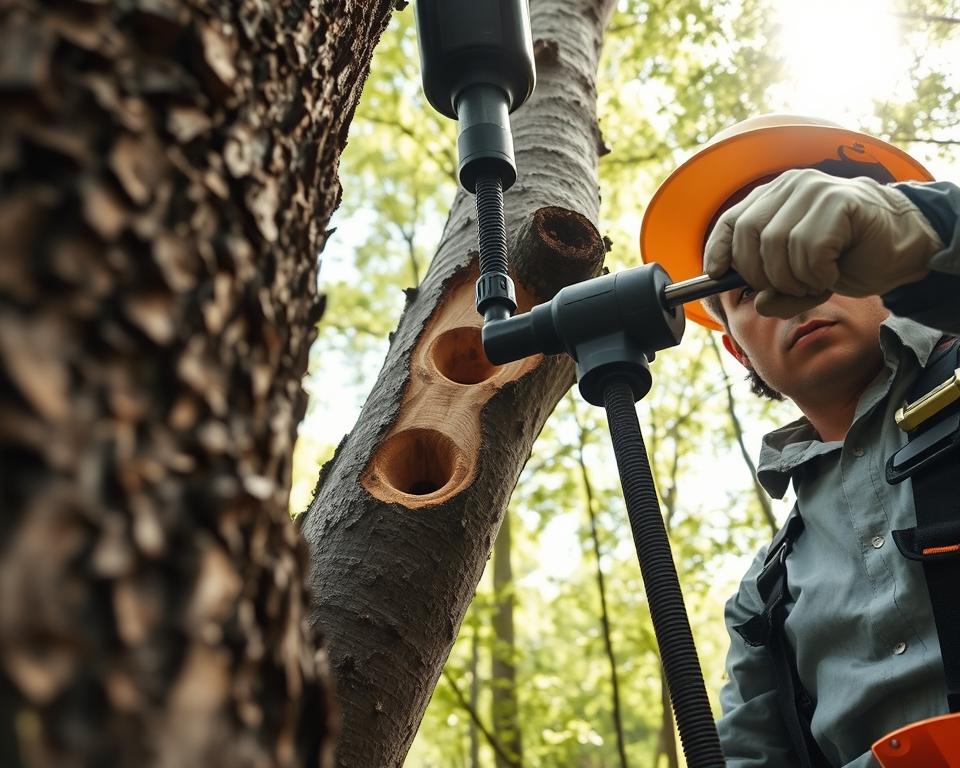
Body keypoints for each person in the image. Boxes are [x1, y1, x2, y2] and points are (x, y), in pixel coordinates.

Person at [640, 115, 960, 767]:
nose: (794, 295)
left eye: (824, 253)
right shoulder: (767, 592)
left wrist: (931, 226)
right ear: (737, 350)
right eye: (748, 286)